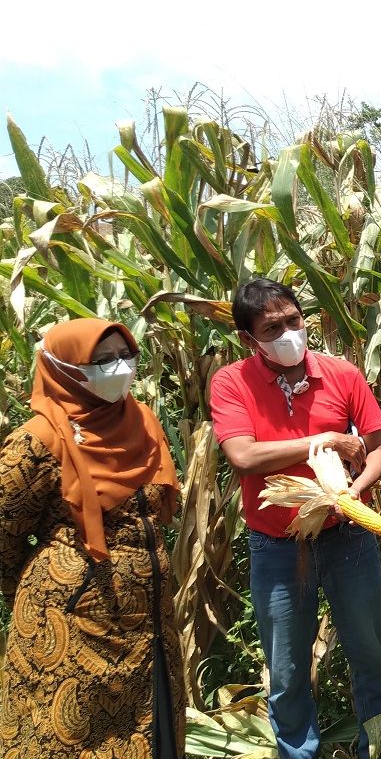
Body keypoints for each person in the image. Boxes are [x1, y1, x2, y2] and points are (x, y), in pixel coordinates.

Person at [209, 279, 381, 759]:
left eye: (294, 320)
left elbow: (379, 449)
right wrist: (329, 440)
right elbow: (245, 457)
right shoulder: (232, 383)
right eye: (273, 328)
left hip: (347, 536)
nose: (289, 332)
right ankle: (298, 752)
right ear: (249, 340)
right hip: (277, 544)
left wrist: (354, 492)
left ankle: (374, 747)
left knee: (370, 653)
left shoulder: (342, 374)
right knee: (288, 667)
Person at [0, 318, 184, 758]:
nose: (119, 368)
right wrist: (33, 591)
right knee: (72, 739)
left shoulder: (141, 420)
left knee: (151, 732)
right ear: (64, 367)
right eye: (102, 361)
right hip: (72, 627)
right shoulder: (38, 441)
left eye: (126, 356)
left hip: (149, 625)